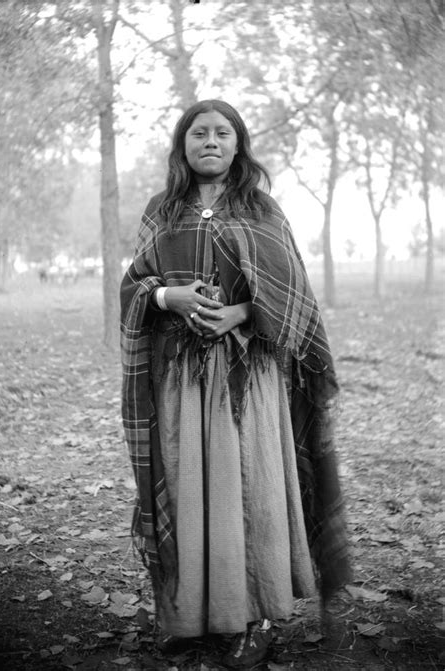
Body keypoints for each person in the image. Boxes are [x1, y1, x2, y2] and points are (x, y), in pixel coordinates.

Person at [120, 99, 349, 668]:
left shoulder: (261, 209)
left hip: (248, 381)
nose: (211, 142)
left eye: (223, 133)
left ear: (238, 144)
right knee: (188, 487)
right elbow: (133, 287)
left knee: (251, 490)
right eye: (199, 133)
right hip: (179, 378)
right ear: (183, 145)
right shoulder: (161, 211)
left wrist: (242, 311)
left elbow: (294, 295)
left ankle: (258, 616)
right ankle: (191, 616)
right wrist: (168, 296)